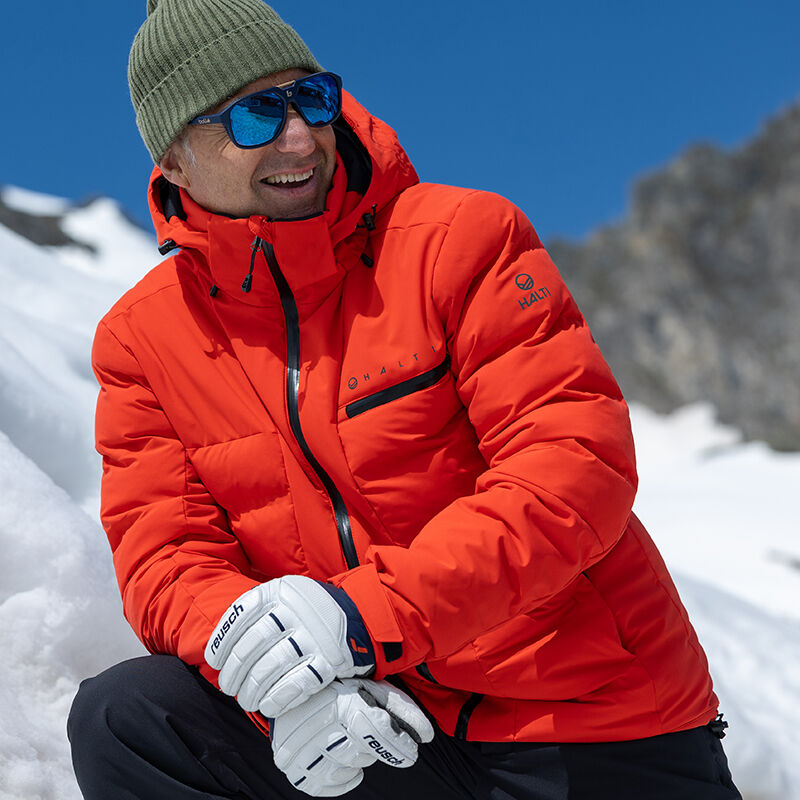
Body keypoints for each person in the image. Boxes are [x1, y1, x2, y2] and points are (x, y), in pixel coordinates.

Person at [67, 1, 742, 798]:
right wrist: (284, 695)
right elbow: (169, 559)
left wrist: (359, 623)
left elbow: (572, 470)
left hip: (590, 723)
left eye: (311, 98)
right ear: (175, 162)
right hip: (375, 726)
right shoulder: (142, 340)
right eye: (254, 116)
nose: (298, 138)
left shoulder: (461, 240)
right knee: (130, 718)